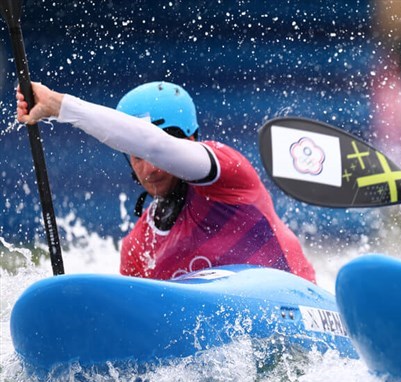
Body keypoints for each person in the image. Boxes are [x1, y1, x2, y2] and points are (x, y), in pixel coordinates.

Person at [16, 81, 316, 282]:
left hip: (300, 318)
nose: (150, 167)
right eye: (135, 156)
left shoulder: (229, 172)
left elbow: (156, 146)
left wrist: (59, 106)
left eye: (153, 150)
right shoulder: (137, 246)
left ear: (191, 139)